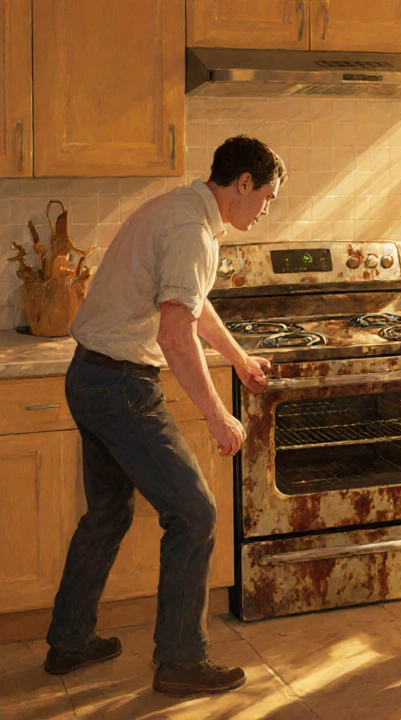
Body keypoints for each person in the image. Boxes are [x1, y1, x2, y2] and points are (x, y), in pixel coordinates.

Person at [42, 136, 283, 696]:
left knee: (107, 514)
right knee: (195, 513)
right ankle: (180, 660)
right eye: (266, 196)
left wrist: (239, 359)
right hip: (122, 386)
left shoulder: (177, 209)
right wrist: (220, 416)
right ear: (242, 183)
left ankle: (69, 641)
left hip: (90, 375)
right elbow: (176, 334)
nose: (266, 209)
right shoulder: (192, 231)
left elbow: (193, 304)